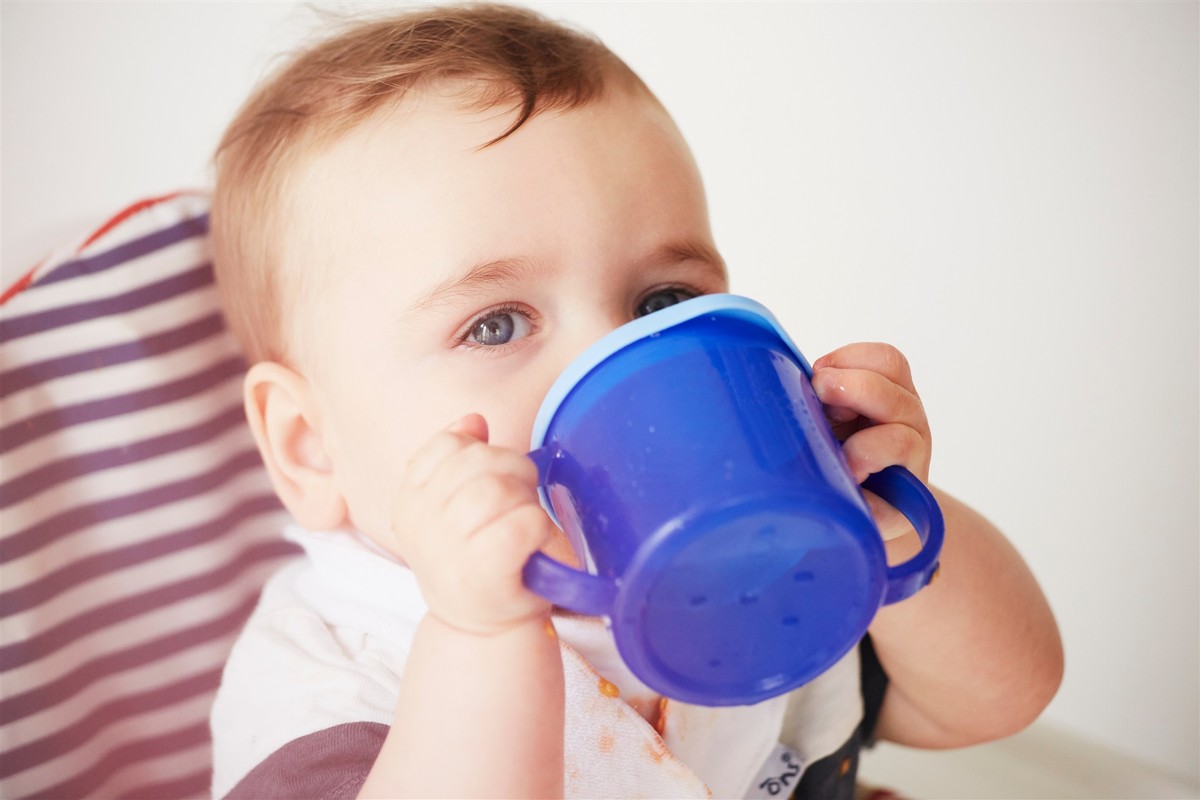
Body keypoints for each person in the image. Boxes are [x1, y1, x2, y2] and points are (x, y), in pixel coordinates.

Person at [207, 4, 1063, 798]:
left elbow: (992, 703)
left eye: (661, 303)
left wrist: (888, 520)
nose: (610, 355)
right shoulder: (327, 678)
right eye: (497, 325)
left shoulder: (750, 553)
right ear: (308, 446)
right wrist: (482, 641)